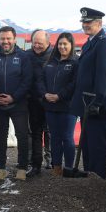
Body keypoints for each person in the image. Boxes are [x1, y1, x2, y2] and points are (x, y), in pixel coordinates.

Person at [70, 7, 106, 179]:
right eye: (84, 22)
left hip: (96, 105)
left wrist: (97, 103)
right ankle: (89, 177)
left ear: (99, 23)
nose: (85, 25)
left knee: (97, 145)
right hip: (85, 103)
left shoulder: (104, 44)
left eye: (89, 22)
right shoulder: (91, 42)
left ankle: (97, 180)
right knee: (87, 144)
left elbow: (103, 77)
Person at [0, 26, 32, 181]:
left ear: (14, 39)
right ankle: (0, 168)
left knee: (22, 136)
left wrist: (14, 97)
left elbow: (27, 80)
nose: (5, 41)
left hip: (18, 104)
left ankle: (22, 167)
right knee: (0, 136)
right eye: (2, 38)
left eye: (8, 38)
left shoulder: (23, 56)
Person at [37, 32, 78, 176]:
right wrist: (45, 94)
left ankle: (69, 167)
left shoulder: (75, 62)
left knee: (67, 137)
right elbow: (40, 80)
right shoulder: (50, 61)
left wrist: (60, 96)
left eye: (65, 44)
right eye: (60, 44)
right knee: (54, 137)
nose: (62, 46)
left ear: (71, 45)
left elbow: (74, 84)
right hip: (50, 106)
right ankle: (56, 166)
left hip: (67, 107)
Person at [26, 30, 53, 177]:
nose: (36, 46)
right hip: (33, 100)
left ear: (48, 43)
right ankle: (36, 164)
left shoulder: (54, 55)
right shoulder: (27, 55)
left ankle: (52, 161)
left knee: (50, 132)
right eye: (34, 43)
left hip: (50, 100)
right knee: (35, 133)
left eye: (40, 44)